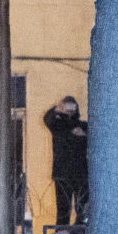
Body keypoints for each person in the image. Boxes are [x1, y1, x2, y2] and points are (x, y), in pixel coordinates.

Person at [43, 96, 89, 225]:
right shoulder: (57, 126)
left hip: (80, 174)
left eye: (72, 109)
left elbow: (96, 140)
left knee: (82, 208)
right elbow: (48, 118)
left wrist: (84, 135)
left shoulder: (83, 126)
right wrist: (57, 108)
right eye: (67, 109)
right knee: (63, 209)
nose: (70, 112)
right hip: (63, 174)